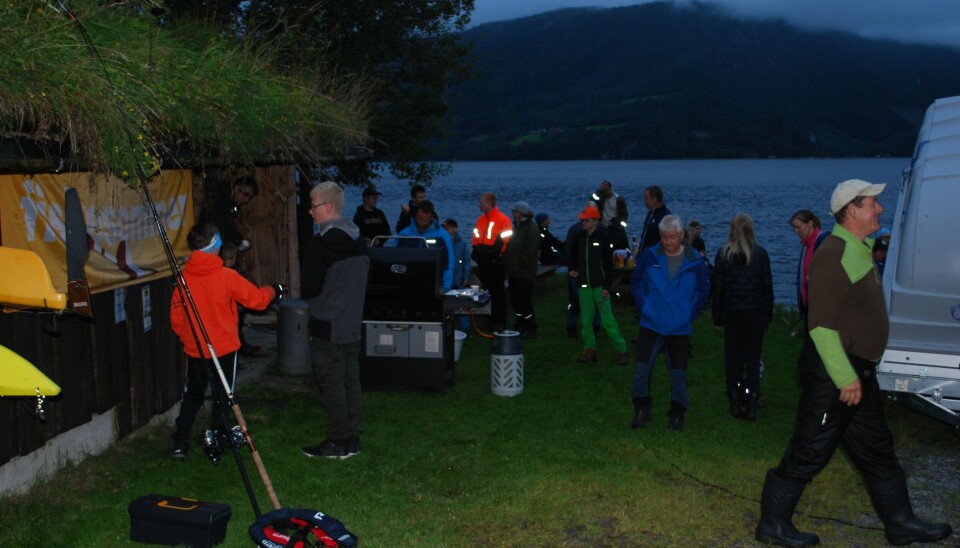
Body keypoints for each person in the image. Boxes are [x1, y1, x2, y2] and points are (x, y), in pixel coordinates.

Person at [755, 180, 952, 547]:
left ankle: (901, 522)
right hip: (835, 374)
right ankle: (773, 524)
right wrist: (846, 377)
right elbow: (820, 327)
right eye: (873, 203)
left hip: (858, 373)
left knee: (877, 449)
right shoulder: (832, 254)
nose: (880, 209)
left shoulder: (859, 247)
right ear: (852, 210)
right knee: (810, 448)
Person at [168, 223, 277, 459]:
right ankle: (217, 438)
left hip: (195, 350)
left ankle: (180, 443)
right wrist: (273, 290)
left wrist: (187, 338)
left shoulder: (182, 279)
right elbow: (258, 301)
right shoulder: (227, 276)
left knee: (193, 395)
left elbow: (176, 319)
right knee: (224, 395)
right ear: (215, 245)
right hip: (224, 349)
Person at [300, 182, 369, 459]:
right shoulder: (358, 239)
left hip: (327, 321)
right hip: (351, 321)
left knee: (332, 382)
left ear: (328, 207)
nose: (310, 212)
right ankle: (352, 438)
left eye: (314, 206)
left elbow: (310, 286)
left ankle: (337, 441)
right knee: (351, 379)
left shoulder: (322, 244)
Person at [629, 215, 709, 432]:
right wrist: (645, 307)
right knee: (641, 369)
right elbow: (636, 284)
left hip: (679, 326)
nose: (669, 242)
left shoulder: (695, 261)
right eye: (664, 237)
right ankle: (642, 408)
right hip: (651, 322)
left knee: (678, 373)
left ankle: (677, 413)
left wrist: (689, 313)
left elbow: (703, 291)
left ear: (682, 235)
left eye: (673, 237)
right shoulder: (649, 256)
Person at [711, 214, 773, 421]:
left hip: (733, 312)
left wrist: (717, 316)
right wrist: (767, 314)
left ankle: (735, 402)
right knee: (753, 358)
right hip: (755, 312)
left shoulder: (723, 254)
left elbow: (718, 288)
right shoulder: (761, 254)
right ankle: (752, 403)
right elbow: (767, 287)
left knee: (733, 359)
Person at [568, 205, 629, 365]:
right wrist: (573, 269)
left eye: (585, 220)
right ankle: (589, 350)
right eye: (582, 220)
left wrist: (606, 286)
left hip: (599, 285)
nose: (583, 222)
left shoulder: (602, 237)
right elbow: (573, 254)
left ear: (595, 221)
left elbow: (608, 264)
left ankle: (621, 349)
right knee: (586, 321)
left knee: (607, 320)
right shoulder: (579, 237)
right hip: (584, 286)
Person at [472, 192, 513, 332]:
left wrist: (495, 256)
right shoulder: (480, 220)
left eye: (481, 202)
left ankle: (500, 321)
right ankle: (490, 319)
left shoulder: (503, 220)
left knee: (498, 293)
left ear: (489, 203)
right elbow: (476, 237)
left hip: (496, 263)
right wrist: (476, 253)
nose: (479, 204)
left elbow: (505, 241)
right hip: (484, 262)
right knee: (487, 292)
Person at [397, 200, 455, 291]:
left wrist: (446, 287)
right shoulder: (404, 234)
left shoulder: (443, 236)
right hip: (407, 283)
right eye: (420, 220)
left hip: (432, 284)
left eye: (426, 221)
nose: (423, 223)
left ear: (432, 217)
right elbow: (396, 259)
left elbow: (449, 263)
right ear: (415, 215)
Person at [503, 202, 540, 339]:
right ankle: (519, 324)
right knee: (516, 301)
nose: (512, 214)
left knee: (524, 300)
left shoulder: (531, 229)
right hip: (513, 271)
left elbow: (530, 251)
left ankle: (530, 326)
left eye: (514, 212)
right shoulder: (517, 228)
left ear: (521, 214)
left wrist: (518, 264)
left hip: (524, 272)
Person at [220, 242, 261, 356]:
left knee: (238, 327)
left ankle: (240, 346)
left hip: (238, 306)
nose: (233, 260)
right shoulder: (224, 273)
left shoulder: (236, 271)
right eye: (230, 258)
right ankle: (238, 349)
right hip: (228, 308)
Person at [789, 209, 829, 322]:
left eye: (798, 227)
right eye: (794, 228)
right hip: (809, 306)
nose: (796, 231)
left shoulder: (823, 242)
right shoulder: (805, 245)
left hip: (821, 307)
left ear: (810, 223)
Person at [199, 176, 258, 252]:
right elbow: (224, 227)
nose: (246, 200)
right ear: (236, 188)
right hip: (208, 246)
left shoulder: (230, 204)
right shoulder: (221, 200)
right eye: (246, 195)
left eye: (249, 198)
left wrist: (239, 240)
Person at [443, 218, 473, 331]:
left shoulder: (462, 244)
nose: (447, 230)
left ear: (455, 229)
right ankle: (445, 327)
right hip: (446, 281)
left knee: (462, 305)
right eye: (445, 228)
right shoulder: (442, 241)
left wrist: (466, 277)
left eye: (449, 227)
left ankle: (465, 329)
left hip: (459, 280)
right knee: (445, 305)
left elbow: (467, 261)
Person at [637, 185, 671, 253]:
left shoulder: (665, 217)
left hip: (655, 257)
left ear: (654, 198)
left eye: (646, 198)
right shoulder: (650, 214)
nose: (645, 201)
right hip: (644, 255)